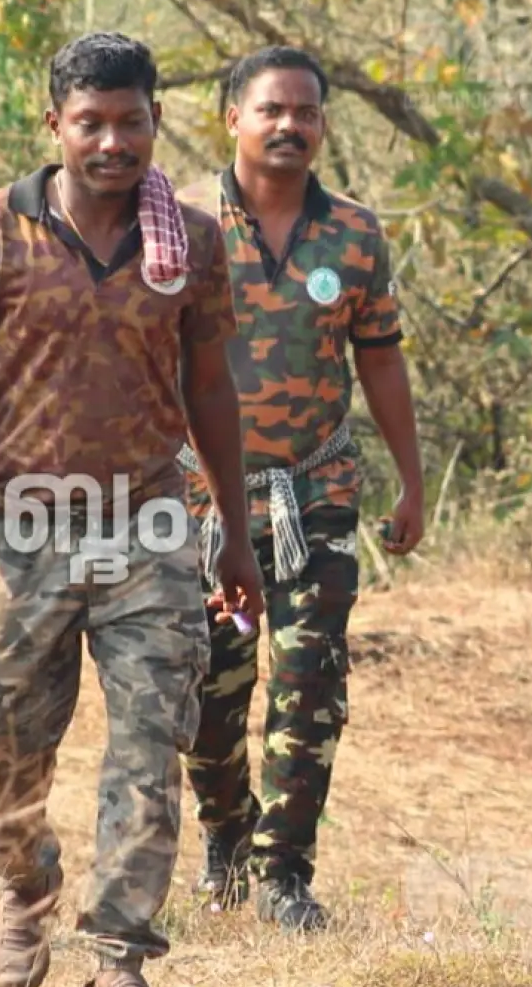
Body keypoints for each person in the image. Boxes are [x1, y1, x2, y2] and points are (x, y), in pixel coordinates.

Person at [0, 31, 265, 987]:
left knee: (151, 739)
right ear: (54, 123)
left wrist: (230, 535)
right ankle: (24, 891)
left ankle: (120, 964)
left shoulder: (190, 240)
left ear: (156, 121)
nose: (113, 143)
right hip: (19, 527)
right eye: (91, 123)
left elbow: (209, 390)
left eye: (132, 122)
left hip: (149, 525)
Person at [174, 45, 425, 931]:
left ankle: (284, 873)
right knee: (210, 682)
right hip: (201, 496)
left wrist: (411, 482)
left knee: (310, 676)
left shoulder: (354, 234)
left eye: (307, 112)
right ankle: (226, 838)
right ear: (232, 118)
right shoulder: (177, 221)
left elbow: (382, 359)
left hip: (317, 486)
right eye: (271, 110)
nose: (290, 126)